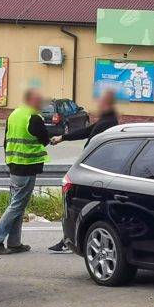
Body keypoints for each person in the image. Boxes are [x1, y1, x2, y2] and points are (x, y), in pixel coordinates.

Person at [47, 88, 119, 252]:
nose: (98, 104)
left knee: (77, 205)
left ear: (108, 104)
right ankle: (70, 240)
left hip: (95, 171)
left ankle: (71, 241)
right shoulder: (106, 120)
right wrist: (63, 138)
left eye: (101, 101)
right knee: (78, 206)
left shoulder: (109, 122)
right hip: (93, 170)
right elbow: (87, 132)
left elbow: (97, 145)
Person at [0, 88, 50, 255]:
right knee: (17, 205)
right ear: (31, 101)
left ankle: (14, 242)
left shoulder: (14, 114)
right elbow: (45, 139)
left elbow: (6, 139)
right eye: (38, 100)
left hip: (14, 164)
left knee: (18, 205)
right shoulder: (34, 118)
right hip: (27, 166)